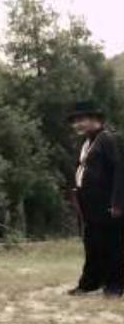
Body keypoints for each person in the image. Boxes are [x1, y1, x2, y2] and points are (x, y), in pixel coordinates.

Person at [67, 101, 124, 298]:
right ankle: (90, 283)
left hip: (107, 204)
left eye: (81, 120)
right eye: (75, 121)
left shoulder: (108, 139)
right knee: (92, 245)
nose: (77, 125)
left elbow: (119, 171)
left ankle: (115, 286)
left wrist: (118, 203)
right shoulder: (86, 143)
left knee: (112, 245)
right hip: (89, 205)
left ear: (95, 120)